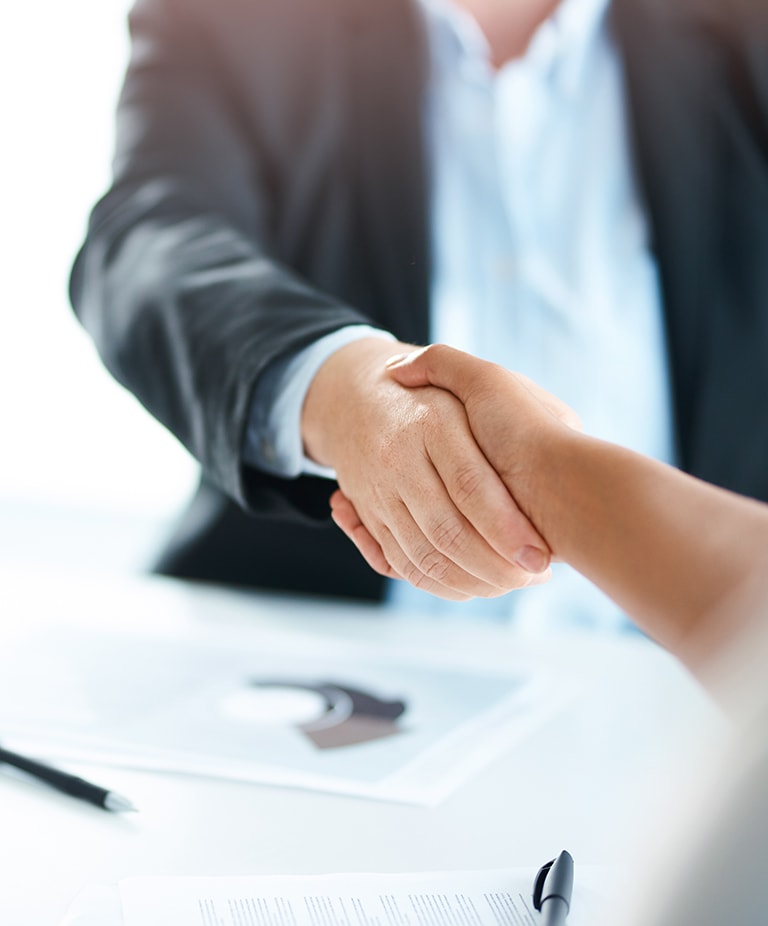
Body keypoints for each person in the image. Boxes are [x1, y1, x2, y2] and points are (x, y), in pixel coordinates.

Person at [70, 0, 768, 615]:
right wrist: (338, 387)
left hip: (684, 682)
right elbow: (148, 241)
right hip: (320, 647)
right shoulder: (241, 15)